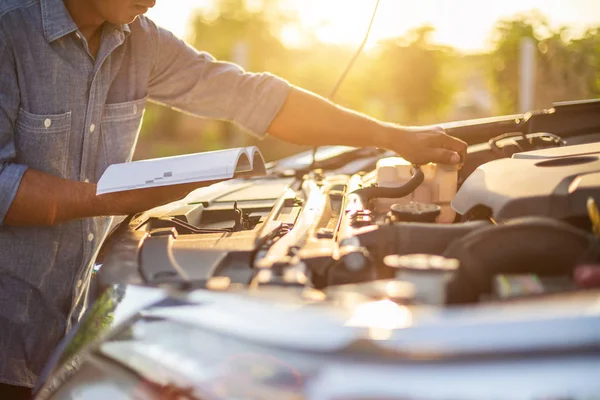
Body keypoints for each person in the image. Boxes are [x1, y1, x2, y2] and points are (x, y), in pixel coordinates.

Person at [0, 0, 467, 396]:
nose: (155, 1)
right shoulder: (8, 28)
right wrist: (117, 198)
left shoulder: (139, 39)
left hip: (66, 332)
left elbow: (252, 96)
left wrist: (392, 136)